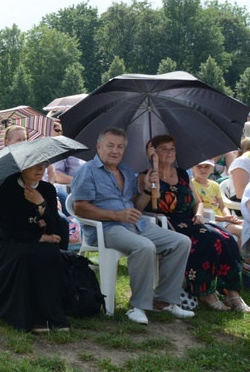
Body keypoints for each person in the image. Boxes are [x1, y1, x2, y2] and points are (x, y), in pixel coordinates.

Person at [70, 127, 194, 325]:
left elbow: (136, 205)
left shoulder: (126, 170)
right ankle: (138, 306)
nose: (115, 151)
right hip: (106, 228)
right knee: (144, 247)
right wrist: (116, 215)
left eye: (120, 147)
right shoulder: (87, 171)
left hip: (136, 223)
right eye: (110, 146)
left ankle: (163, 300)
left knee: (181, 241)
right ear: (98, 146)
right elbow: (80, 208)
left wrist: (147, 188)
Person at [136, 136, 248, 312]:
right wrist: (151, 182)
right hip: (167, 223)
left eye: (172, 148)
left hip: (191, 219)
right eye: (164, 148)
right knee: (209, 239)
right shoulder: (146, 175)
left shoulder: (182, 174)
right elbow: (139, 207)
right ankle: (205, 292)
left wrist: (199, 214)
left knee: (228, 238)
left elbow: (198, 202)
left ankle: (232, 292)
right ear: (153, 153)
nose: (170, 152)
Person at [0, 161, 70, 333]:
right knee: (25, 256)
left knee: (51, 254)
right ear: (22, 167)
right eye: (35, 165)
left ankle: (50, 314)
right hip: (8, 243)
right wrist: (39, 237)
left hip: (40, 240)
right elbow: (7, 230)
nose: (41, 169)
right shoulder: (7, 189)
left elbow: (54, 226)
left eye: (44, 165)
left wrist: (41, 203)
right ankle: (29, 316)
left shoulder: (47, 189)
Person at [192, 158, 243, 244]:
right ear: (193, 168)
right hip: (209, 220)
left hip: (223, 219)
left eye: (207, 166)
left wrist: (229, 217)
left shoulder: (215, 185)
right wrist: (224, 218)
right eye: (199, 167)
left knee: (246, 228)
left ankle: (240, 256)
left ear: (212, 168)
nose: (203, 169)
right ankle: (239, 257)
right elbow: (198, 210)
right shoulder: (192, 185)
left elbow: (222, 206)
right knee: (242, 231)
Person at [50, 120, 85, 216]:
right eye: (57, 130)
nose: (61, 133)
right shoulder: (54, 149)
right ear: (47, 131)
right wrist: (80, 181)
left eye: (61, 131)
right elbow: (57, 176)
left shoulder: (65, 147)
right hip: (76, 190)